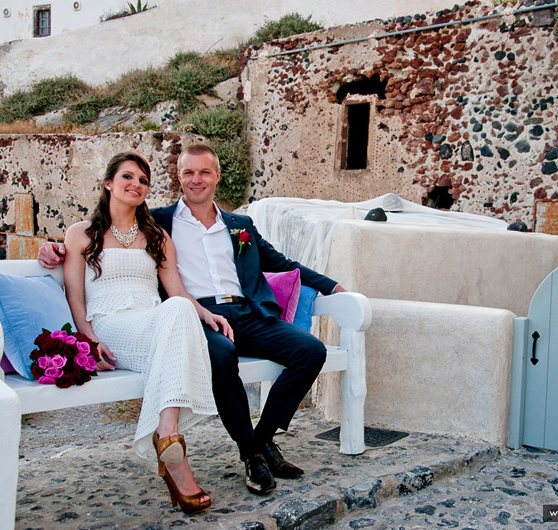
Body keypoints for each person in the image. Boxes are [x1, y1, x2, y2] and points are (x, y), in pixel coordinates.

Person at [40, 144, 347, 496]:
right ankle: (252, 456)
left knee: (310, 351)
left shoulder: (241, 226)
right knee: (220, 356)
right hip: (194, 317)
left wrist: (333, 286)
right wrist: (52, 248)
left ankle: (259, 442)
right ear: (178, 178)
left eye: (204, 172)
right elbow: (105, 235)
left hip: (247, 312)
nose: (196, 179)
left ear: (217, 176)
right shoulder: (159, 222)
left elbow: (283, 263)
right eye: (188, 172)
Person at [61, 151, 233, 514]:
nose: (136, 185)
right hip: (111, 327)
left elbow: (179, 294)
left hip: (154, 325)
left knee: (180, 309)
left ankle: (167, 431)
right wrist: (90, 341)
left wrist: (208, 314)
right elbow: (76, 301)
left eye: (143, 180)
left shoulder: (156, 236)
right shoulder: (80, 234)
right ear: (109, 183)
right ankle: (171, 449)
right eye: (127, 177)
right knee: (177, 318)